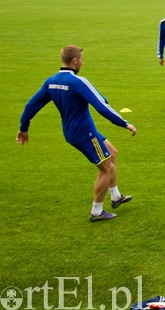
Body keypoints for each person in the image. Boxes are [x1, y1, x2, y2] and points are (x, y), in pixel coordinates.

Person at [17, 45, 137, 222]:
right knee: (106, 169)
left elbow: (31, 106)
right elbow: (101, 106)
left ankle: (116, 196)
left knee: (112, 154)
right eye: (81, 59)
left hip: (71, 131)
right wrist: (124, 123)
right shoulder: (77, 82)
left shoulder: (52, 81)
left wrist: (23, 128)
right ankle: (97, 211)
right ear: (74, 61)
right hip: (85, 133)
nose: (82, 62)